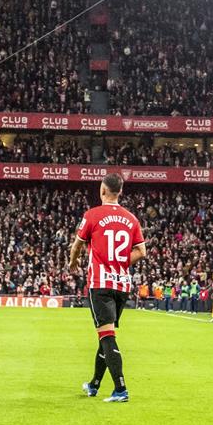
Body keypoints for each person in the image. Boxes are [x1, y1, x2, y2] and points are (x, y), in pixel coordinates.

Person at [69, 173, 146, 403]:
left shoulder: (92, 215)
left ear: (103, 191)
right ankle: (94, 384)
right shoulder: (131, 219)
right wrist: (120, 263)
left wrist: (73, 262)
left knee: (107, 335)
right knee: (106, 335)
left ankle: (120, 389)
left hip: (100, 284)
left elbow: (77, 245)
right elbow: (141, 251)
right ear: (119, 192)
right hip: (122, 284)